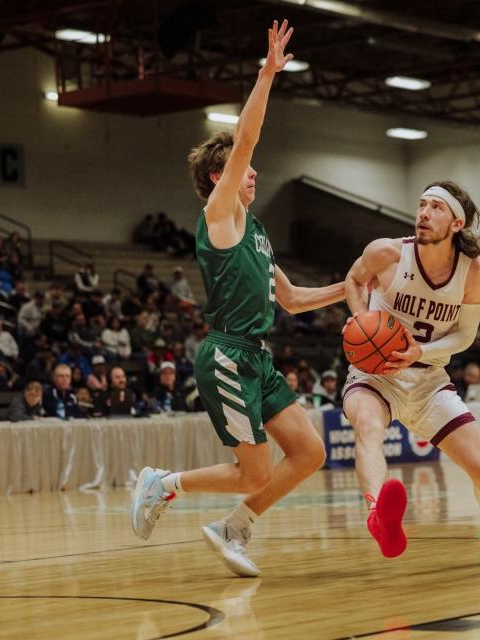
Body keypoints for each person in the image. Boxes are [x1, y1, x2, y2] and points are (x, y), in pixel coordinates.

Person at [130, 20, 343, 578]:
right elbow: (245, 137)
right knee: (252, 470)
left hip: (257, 356)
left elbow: (292, 301)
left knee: (309, 452)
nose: (256, 172)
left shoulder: (257, 232)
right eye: (246, 168)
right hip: (226, 353)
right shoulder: (219, 215)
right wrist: (266, 74)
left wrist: (348, 287)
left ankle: (234, 527)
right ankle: (163, 484)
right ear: (221, 176)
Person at [342, 179, 480, 565]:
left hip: (429, 379)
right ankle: (378, 514)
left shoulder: (474, 270)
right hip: (375, 376)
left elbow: (465, 335)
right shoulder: (387, 253)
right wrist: (363, 319)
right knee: (368, 427)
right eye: (421, 205)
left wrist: (420, 351)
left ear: (456, 224)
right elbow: (353, 279)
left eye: (436, 208)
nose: (424, 213)